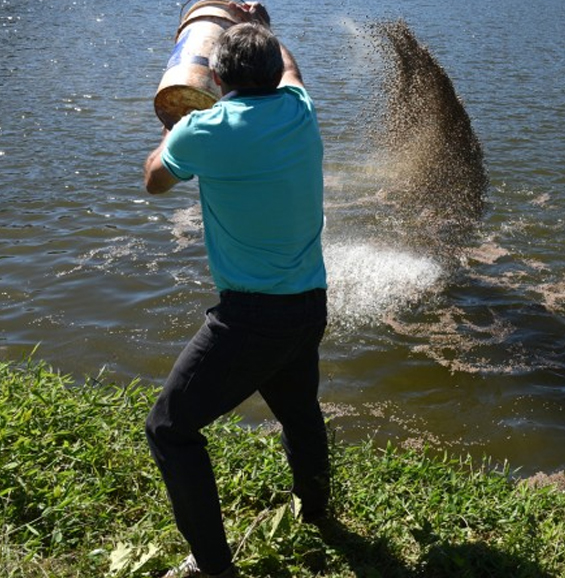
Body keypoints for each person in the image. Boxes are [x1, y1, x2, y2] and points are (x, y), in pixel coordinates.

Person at [143, 16, 329, 578]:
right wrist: (256, 25)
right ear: (274, 74)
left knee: (169, 429)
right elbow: (293, 69)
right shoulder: (301, 110)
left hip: (250, 317)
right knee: (298, 410)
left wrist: (174, 127)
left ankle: (211, 564)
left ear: (217, 79)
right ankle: (316, 509)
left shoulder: (207, 130)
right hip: (309, 302)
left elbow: (154, 180)